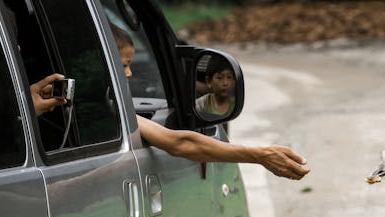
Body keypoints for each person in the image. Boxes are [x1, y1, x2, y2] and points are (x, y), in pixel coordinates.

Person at [111, 24, 309, 180]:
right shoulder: (108, 109)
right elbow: (180, 143)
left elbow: (181, 141)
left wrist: (261, 154)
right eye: (124, 65)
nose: (129, 73)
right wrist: (260, 155)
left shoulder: (113, 107)